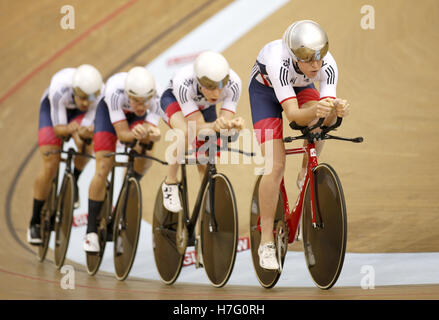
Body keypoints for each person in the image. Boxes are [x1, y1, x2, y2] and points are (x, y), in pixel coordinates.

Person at [248, 20, 350, 270]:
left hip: (300, 89)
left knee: (319, 122)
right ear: (294, 57)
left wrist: (337, 110)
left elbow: (326, 118)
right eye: (309, 60)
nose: (316, 65)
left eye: (319, 58)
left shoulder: (327, 64)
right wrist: (319, 109)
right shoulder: (277, 61)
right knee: (275, 165)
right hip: (265, 94)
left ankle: (306, 170)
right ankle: (267, 240)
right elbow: (293, 114)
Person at [83, 66, 163, 252]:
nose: (141, 106)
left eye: (144, 101)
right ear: (128, 94)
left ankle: (127, 190)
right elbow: (123, 134)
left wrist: (153, 134)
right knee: (103, 166)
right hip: (108, 116)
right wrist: (136, 134)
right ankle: (91, 231)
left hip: (136, 121)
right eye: (135, 101)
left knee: (147, 156)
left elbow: (152, 134)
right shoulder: (114, 91)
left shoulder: (158, 96)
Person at [160, 50, 244, 213]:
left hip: (205, 106)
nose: (216, 93)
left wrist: (232, 124)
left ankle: (208, 209)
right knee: (185, 132)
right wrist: (215, 126)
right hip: (174, 101)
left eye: (220, 86)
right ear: (198, 82)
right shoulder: (183, 82)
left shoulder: (234, 83)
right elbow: (196, 129)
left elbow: (223, 124)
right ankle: (170, 183)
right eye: (210, 87)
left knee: (204, 160)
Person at [27, 64, 103, 245]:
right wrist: (69, 129)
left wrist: (80, 133)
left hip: (79, 117)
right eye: (82, 97)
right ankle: (35, 220)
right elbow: (59, 129)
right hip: (53, 112)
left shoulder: (100, 97)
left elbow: (86, 129)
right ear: (74, 91)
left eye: (90, 98)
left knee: (86, 143)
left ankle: (73, 181)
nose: (86, 102)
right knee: (51, 165)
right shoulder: (59, 89)